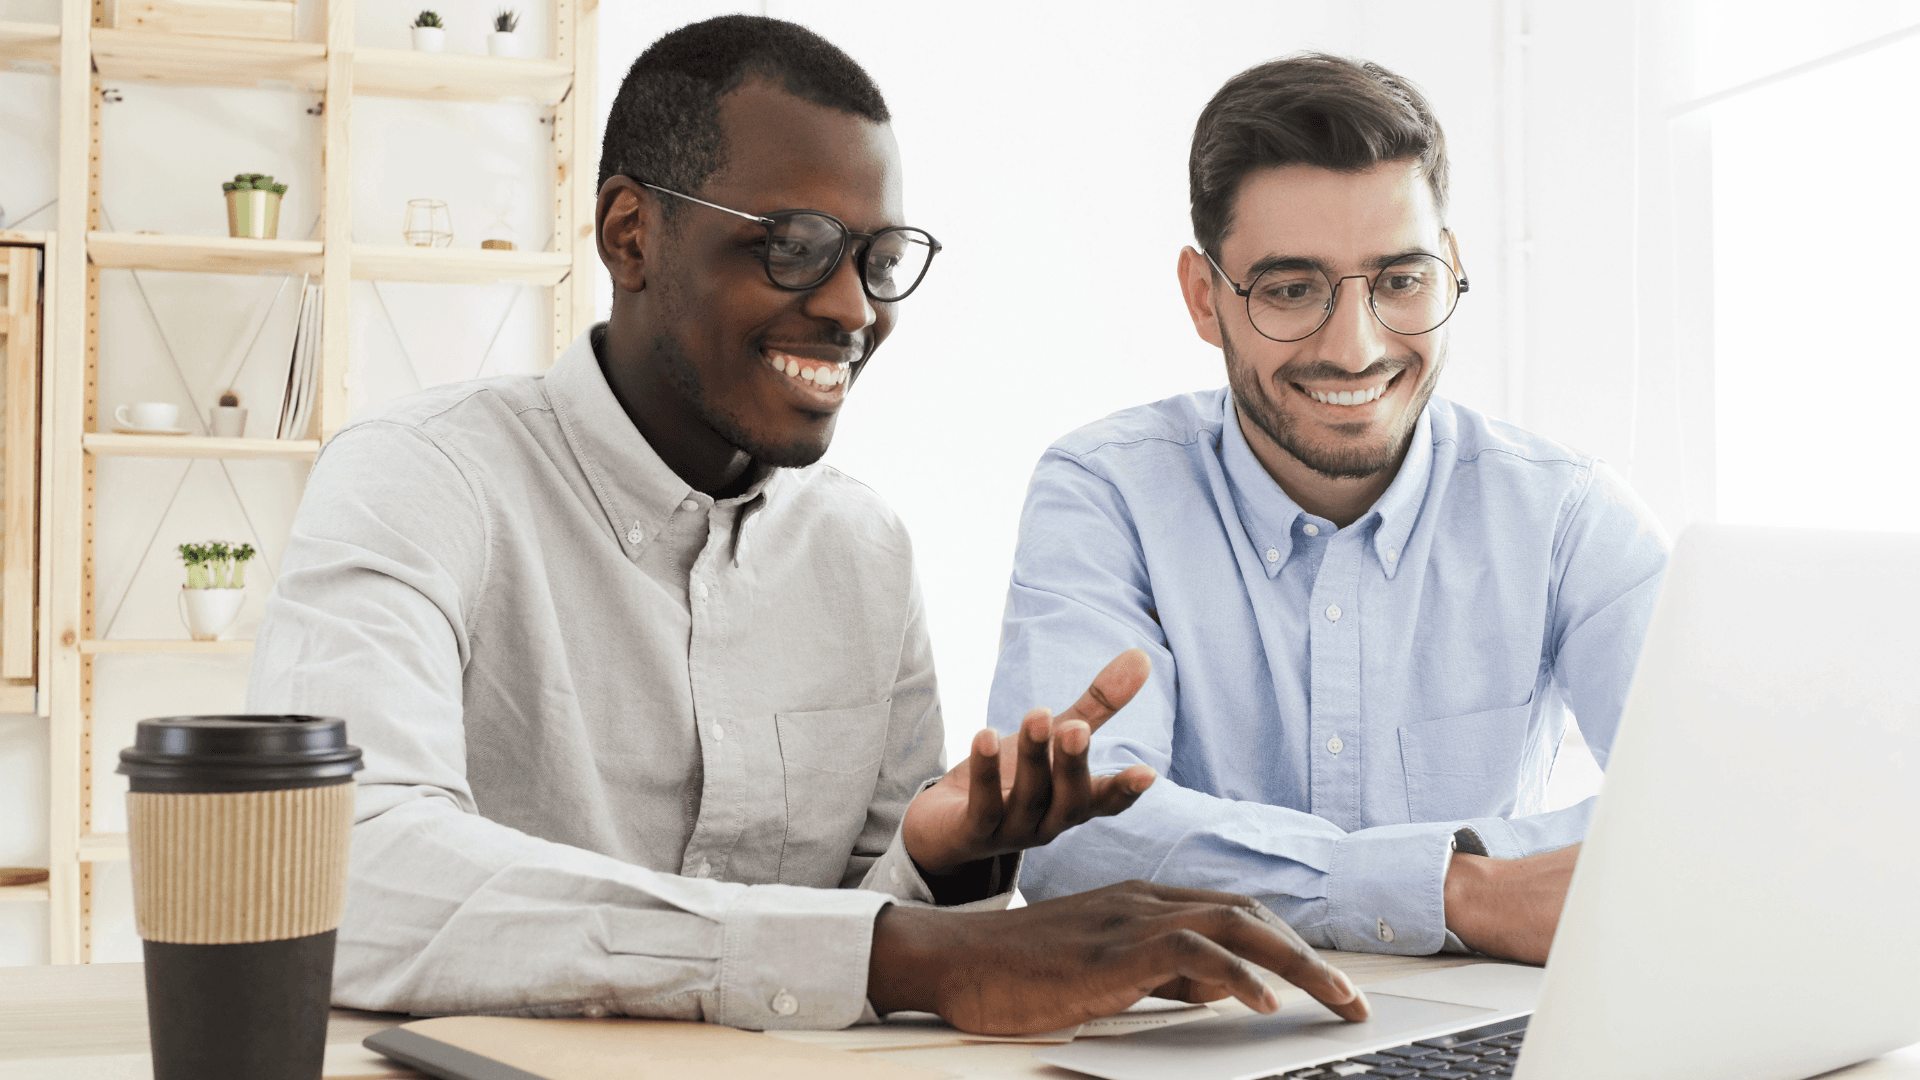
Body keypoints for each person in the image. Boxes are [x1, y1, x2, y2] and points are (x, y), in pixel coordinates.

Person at [246, 17, 1367, 1035]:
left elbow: (844, 958)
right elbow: (341, 865)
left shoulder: (862, 552)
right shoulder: (419, 481)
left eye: (877, 259)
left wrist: (939, 864)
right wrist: (911, 949)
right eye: (792, 244)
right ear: (631, 236)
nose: (852, 309)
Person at [986, 53, 1669, 965]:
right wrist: (1461, 890)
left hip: (1487, 1030)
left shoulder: (1567, 515)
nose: (1355, 349)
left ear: (1453, 268)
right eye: (1291, 289)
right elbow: (1073, 837)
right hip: (1204, 1041)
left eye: (1401, 280)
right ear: (1204, 298)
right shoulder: (1107, 494)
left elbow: (1708, 813)